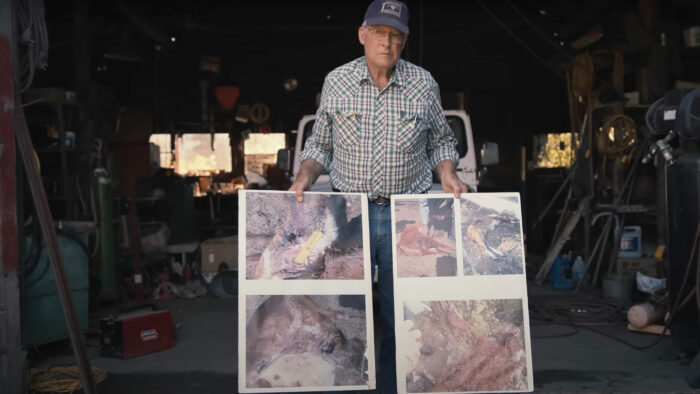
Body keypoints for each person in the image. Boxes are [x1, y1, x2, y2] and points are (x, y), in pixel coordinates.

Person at [289, 0, 468, 392]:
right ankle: (343, 380)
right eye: (380, 33)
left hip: (405, 215)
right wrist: (303, 176)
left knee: (399, 312)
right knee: (343, 307)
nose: (387, 43)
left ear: (403, 42)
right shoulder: (337, 81)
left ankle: (391, 386)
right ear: (362, 34)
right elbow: (320, 144)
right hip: (350, 214)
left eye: (396, 37)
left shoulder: (423, 83)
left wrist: (449, 174)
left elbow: (440, 141)